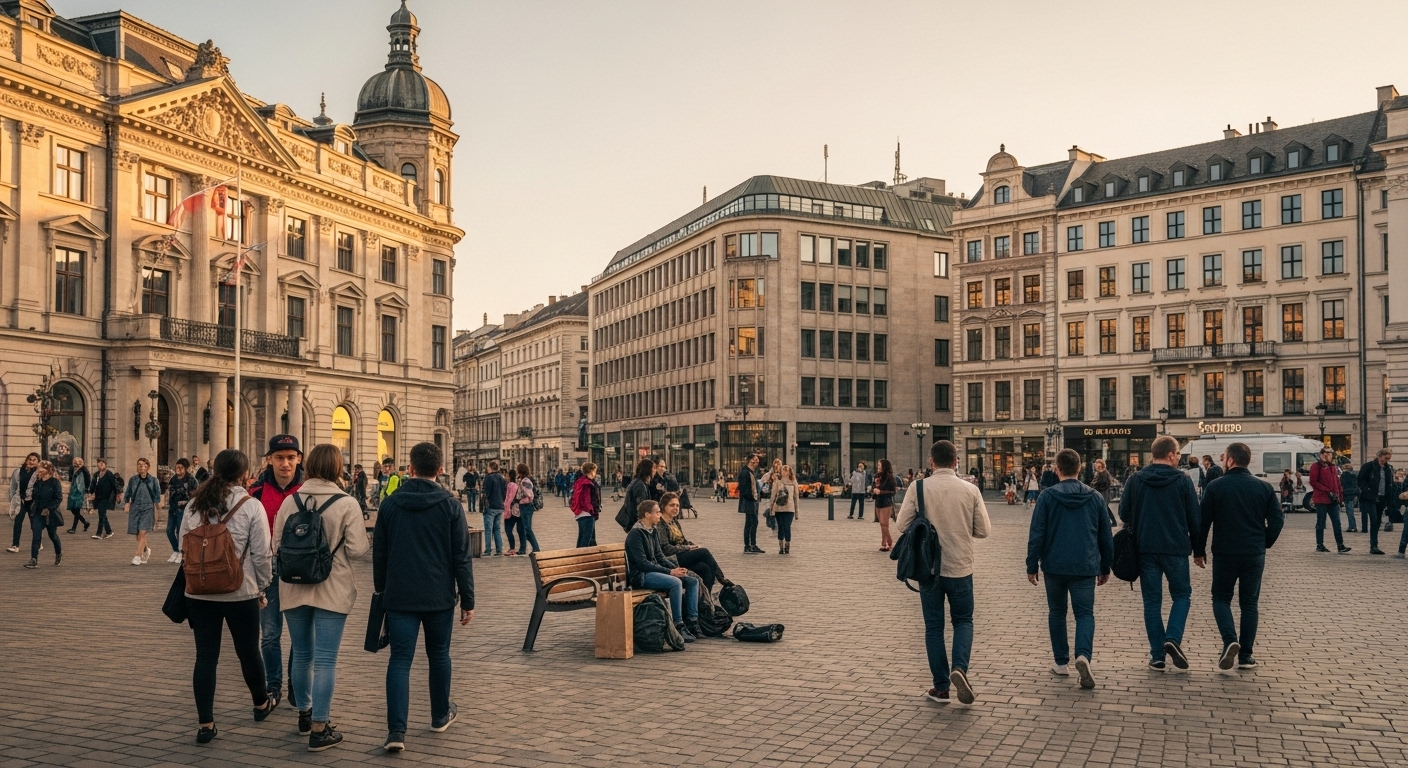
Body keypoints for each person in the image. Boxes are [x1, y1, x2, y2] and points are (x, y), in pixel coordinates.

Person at [373, 441, 473, 753]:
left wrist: (382, 590)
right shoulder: (450, 505)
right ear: (440, 470)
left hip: (400, 594)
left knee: (400, 659)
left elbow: (380, 554)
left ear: (410, 469)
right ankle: (440, 715)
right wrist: (468, 599)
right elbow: (461, 557)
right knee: (439, 655)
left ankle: (396, 732)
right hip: (438, 595)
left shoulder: (390, 504)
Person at [271, 444, 369, 752]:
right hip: (332, 586)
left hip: (293, 586)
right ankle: (320, 727)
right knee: (326, 659)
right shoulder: (347, 503)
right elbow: (358, 550)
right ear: (337, 466)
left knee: (302, 654)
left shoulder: (290, 501)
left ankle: (304, 713)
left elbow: (276, 546)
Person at [178, 448, 275, 744]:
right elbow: (261, 554)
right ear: (244, 474)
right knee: (248, 652)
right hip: (240, 591)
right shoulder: (251, 505)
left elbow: (183, 544)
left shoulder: (194, 504)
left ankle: (206, 723)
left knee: (205, 657)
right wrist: (262, 586)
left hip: (200, 592)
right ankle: (260, 703)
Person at [897, 440, 990, 705]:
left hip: (929, 570)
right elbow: (983, 530)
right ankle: (959, 668)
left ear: (931, 462)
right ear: (956, 461)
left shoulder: (918, 487)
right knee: (964, 621)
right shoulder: (970, 489)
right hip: (961, 566)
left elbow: (903, 524)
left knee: (934, 627)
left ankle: (940, 687)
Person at [1193, 441, 1284, 673]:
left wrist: (1199, 550)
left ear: (1230, 460)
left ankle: (1229, 639)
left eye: (1224, 459)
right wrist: (1264, 542)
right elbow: (1277, 520)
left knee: (1221, 598)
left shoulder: (1215, 487)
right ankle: (1246, 655)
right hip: (1254, 552)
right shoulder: (1263, 488)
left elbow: (1203, 522)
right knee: (1249, 603)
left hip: (1225, 552)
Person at [1026, 449, 1112, 689]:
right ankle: (1083, 655)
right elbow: (1105, 536)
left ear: (1057, 469)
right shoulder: (1094, 497)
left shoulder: (1047, 497)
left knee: (1057, 612)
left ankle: (1061, 662)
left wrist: (1032, 565)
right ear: (1080, 468)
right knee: (1084, 613)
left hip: (1054, 565)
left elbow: (1037, 534)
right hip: (1085, 565)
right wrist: (1105, 566)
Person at [1119, 435, 1199, 672]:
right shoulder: (1183, 481)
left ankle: (1157, 657)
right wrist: (1199, 549)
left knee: (1152, 602)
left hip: (1145, 549)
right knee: (1182, 595)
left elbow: (1123, 513)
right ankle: (1172, 638)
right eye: (1178, 454)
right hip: (1175, 549)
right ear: (1172, 454)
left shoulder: (1135, 479)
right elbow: (1195, 519)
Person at [249, 435, 305, 711]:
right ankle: (274, 686)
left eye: (291, 457)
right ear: (269, 459)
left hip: (299, 572)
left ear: (299, 459)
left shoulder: (307, 492)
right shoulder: (256, 493)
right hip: (267, 571)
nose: (286, 463)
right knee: (270, 634)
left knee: (299, 635)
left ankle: (297, 685)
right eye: (280, 457)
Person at [626, 499, 700, 642]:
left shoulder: (652, 531)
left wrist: (674, 568)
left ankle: (692, 622)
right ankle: (678, 625)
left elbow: (659, 556)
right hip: (641, 576)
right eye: (657, 512)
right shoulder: (636, 534)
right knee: (675, 583)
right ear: (647, 514)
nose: (660, 515)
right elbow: (642, 563)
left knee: (692, 581)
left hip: (654, 572)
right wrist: (670, 572)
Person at [654, 491, 731, 590]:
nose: (675, 508)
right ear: (664, 506)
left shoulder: (674, 521)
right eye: (672, 505)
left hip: (681, 555)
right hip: (670, 559)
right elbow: (666, 549)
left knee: (706, 569)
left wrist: (693, 546)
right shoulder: (660, 524)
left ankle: (704, 602)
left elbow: (683, 541)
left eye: (677, 505)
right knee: (704, 552)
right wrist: (688, 548)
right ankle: (721, 578)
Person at [24, 460, 64, 568]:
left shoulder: (55, 482)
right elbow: (34, 496)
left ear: (48, 470)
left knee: (53, 535)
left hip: (50, 514)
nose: (39, 470)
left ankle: (58, 553)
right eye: (38, 468)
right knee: (36, 535)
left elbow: (59, 498)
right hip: (38, 513)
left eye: (41, 468)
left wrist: (49, 509)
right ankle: (33, 559)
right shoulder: (38, 482)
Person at [1309, 446, 1350, 554]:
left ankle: (1340, 545)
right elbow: (1313, 481)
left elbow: (1337, 482)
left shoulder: (1332, 467)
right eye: (1327, 453)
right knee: (1321, 523)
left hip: (1333, 499)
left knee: (1337, 523)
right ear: (1322, 454)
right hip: (1321, 499)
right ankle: (1320, 544)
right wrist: (1326, 490)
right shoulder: (1316, 466)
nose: (1329, 455)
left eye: (1331, 453)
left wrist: (1340, 496)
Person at [123, 458, 161, 566]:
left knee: (142, 531)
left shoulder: (153, 480)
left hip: (148, 507)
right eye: (138, 465)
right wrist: (127, 503)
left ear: (147, 467)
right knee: (137, 532)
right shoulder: (133, 479)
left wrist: (157, 509)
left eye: (143, 465)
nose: (140, 467)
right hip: (135, 507)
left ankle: (137, 555)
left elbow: (157, 495)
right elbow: (128, 492)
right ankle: (145, 549)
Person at [1357, 448, 1394, 555]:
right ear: (1380, 456)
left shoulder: (1388, 468)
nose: (1386, 460)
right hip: (1370, 497)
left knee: (1377, 522)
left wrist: (1389, 499)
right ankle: (1373, 544)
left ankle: (1374, 545)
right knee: (1374, 519)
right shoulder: (1369, 466)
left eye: (1388, 458)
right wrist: (1367, 490)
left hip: (1382, 497)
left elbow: (1389, 483)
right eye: (1385, 458)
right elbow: (1360, 479)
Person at [164, 458, 198, 563]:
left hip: (183, 510)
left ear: (186, 469)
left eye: (181, 467)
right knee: (169, 530)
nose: (178, 469)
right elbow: (168, 490)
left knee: (180, 531)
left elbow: (195, 496)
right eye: (177, 467)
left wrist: (185, 502)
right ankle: (175, 550)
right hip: (173, 508)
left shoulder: (191, 480)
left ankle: (181, 552)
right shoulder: (173, 479)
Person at [512, 463, 541, 555]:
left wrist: (521, 501)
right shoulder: (523, 480)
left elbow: (530, 495)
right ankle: (522, 549)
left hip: (526, 506)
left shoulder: (525, 481)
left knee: (527, 528)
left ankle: (536, 548)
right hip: (524, 506)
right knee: (522, 528)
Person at [570, 462, 601, 548]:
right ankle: (581, 558)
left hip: (580, 514)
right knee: (586, 540)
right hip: (587, 514)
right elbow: (587, 500)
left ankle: (581, 557)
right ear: (591, 471)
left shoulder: (580, 481)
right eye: (595, 471)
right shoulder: (587, 484)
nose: (595, 473)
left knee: (583, 538)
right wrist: (591, 510)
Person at [770, 465, 800, 555]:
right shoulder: (777, 481)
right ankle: (781, 547)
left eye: (787, 470)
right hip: (779, 508)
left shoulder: (793, 481)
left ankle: (787, 545)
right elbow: (773, 495)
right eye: (783, 470)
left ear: (790, 471)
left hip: (789, 508)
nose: (785, 472)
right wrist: (771, 508)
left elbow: (796, 496)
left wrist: (797, 512)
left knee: (787, 526)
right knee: (780, 527)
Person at [480, 460, 506, 556]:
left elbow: (486, 492)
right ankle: (499, 549)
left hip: (491, 506)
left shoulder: (489, 478)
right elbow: (504, 492)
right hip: (500, 505)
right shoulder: (501, 478)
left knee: (488, 529)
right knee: (497, 528)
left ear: (490, 467)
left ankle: (488, 550)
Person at [736, 454, 762, 553]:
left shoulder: (751, 472)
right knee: (751, 522)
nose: (757, 462)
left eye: (757, 461)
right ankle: (748, 545)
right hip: (749, 501)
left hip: (752, 500)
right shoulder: (745, 472)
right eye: (755, 460)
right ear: (750, 461)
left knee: (753, 522)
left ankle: (752, 544)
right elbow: (743, 487)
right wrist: (750, 497)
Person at [873, 459, 898, 552]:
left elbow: (893, 491)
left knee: (884, 524)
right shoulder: (877, 476)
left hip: (886, 502)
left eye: (879, 465)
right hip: (878, 502)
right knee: (881, 524)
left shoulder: (890, 478)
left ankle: (888, 542)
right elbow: (873, 486)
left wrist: (881, 492)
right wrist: (874, 489)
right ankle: (884, 543)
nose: (878, 467)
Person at [91, 459, 119, 540]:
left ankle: (99, 533)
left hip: (107, 498)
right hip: (98, 498)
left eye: (102, 463)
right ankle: (109, 531)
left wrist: (117, 495)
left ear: (105, 464)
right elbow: (93, 485)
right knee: (102, 515)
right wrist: (91, 493)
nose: (101, 465)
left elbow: (114, 486)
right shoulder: (96, 475)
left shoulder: (109, 474)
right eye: (99, 463)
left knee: (101, 514)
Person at [64, 457, 92, 534]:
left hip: (80, 491)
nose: (77, 464)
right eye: (75, 462)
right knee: (73, 509)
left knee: (77, 509)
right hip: (73, 490)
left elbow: (88, 480)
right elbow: (70, 478)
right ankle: (85, 523)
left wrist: (86, 490)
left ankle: (74, 528)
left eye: (78, 462)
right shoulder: (72, 468)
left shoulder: (84, 470)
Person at [503, 468, 522, 555]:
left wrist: (506, 509)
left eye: (506, 475)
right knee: (517, 529)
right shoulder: (517, 484)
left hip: (511, 510)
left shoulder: (510, 485)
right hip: (517, 510)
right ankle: (518, 548)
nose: (505, 477)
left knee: (508, 529)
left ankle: (512, 548)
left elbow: (508, 498)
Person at [1339, 461, 1360, 532]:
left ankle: (1352, 526)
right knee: (1350, 511)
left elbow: (1341, 485)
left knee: (1349, 511)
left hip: (1347, 494)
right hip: (1353, 494)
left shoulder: (1344, 475)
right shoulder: (1354, 476)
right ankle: (1353, 526)